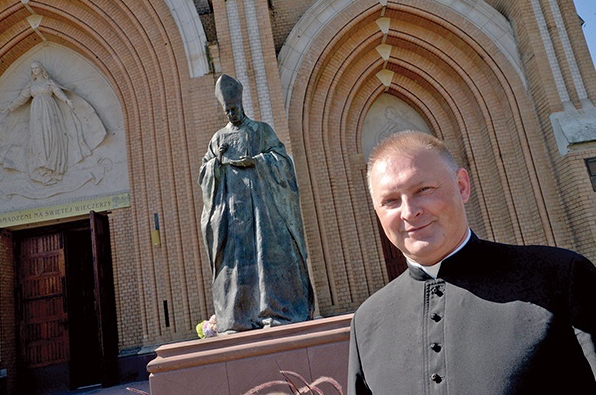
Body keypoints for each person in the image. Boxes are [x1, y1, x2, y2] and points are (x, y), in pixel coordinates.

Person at [348, 130, 596, 394]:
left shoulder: (560, 277)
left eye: (423, 190)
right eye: (390, 201)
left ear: (462, 186)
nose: (409, 212)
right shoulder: (366, 323)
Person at [199, 74, 314, 334]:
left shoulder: (261, 130)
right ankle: (238, 318)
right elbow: (205, 173)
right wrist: (216, 164)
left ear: (242, 106)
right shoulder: (218, 139)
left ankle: (276, 311)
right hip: (233, 213)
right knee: (237, 264)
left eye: (235, 109)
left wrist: (257, 161)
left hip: (264, 212)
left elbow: (281, 160)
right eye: (227, 110)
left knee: (269, 257)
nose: (231, 114)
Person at [0, 61, 106, 185]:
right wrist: (9, 107)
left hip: (50, 110)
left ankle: (54, 167)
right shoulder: (30, 85)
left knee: (51, 135)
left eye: (36, 68)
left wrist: (67, 100)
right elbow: (21, 98)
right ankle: (40, 167)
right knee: (38, 137)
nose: (34, 71)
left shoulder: (48, 82)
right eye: (32, 69)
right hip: (36, 112)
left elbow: (58, 93)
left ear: (41, 69)